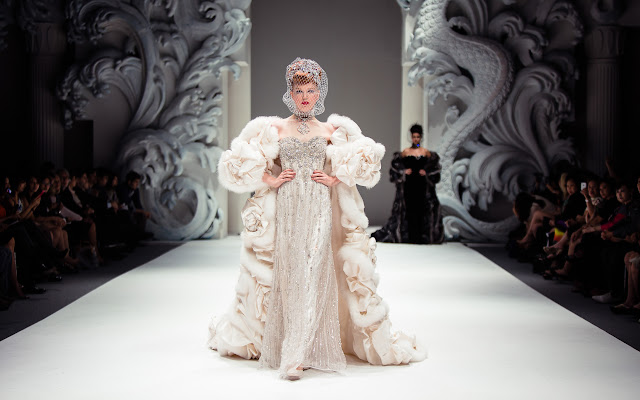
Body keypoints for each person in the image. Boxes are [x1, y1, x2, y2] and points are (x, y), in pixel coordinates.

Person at [209, 58, 426, 380]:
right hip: (288, 206)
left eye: (311, 90)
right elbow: (241, 163)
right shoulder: (276, 128)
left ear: (320, 92)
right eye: (299, 91)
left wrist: (336, 178)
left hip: (320, 206)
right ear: (290, 92)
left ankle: (297, 355)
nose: (305, 97)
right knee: (292, 273)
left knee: (314, 272)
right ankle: (296, 345)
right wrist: (271, 180)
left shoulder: (330, 130)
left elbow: (363, 163)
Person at [373, 124, 444, 244]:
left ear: (421, 137)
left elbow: (435, 169)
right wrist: (403, 172)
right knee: (409, 209)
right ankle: (410, 237)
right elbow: (395, 168)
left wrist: (426, 172)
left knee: (422, 209)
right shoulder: (406, 152)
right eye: (414, 137)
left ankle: (420, 237)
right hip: (409, 185)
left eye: (418, 137)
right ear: (411, 137)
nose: (416, 139)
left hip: (422, 185)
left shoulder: (425, 152)